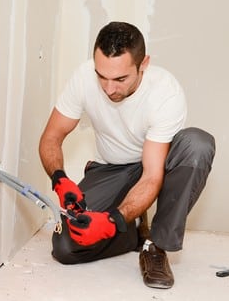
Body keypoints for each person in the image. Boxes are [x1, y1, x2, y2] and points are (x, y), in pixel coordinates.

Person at [38, 21, 215, 289]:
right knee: (65, 246)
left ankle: (155, 246)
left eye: (120, 79)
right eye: (102, 76)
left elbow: (152, 176)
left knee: (197, 144)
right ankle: (132, 233)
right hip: (109, 168)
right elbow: (51, 137)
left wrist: (113, 220)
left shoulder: (165, 92)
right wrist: (60, 180)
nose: (109, 89)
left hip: (154, 166)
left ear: (143, 64)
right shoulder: (83, 77)